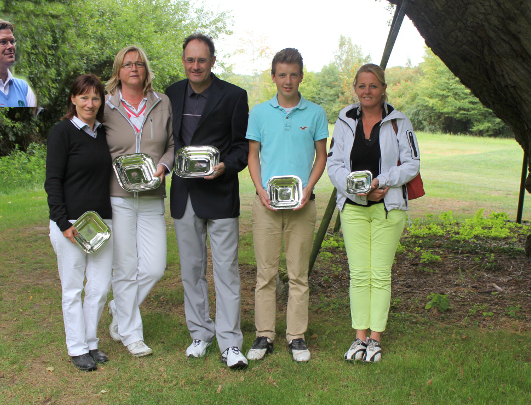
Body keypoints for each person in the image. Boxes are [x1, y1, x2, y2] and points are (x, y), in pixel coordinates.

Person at [165, 33, 249, 369]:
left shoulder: (234, 96)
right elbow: (166, 141)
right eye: (190, 59)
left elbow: (243, 146)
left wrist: (226, 166)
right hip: (185, 196)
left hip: (221, 194)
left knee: (227, 271)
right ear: (183, 60)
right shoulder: (171, 94)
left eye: (202, 59)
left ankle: (230, 342)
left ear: (213, 61)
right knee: (191, 271)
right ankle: (200, 333)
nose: (195, 65)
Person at [327, 63, 421, 362]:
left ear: (383, 88)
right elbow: (334, 164)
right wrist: (357, 189)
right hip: (353, 208)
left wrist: (381, 182)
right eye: (362, 86)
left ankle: (375, 339)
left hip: (388, 207)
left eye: (373, 86)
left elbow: (411, 164)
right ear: (355, 88)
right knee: (358, 274)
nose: (367, 91)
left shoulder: (399, 122)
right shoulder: (345, 118)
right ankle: (359, 338)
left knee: (379, 274)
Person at [245, 48, 328, 363]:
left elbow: (322, 156)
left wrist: (308, 188)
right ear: (273, 76)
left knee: (298, 275)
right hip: (266, 205)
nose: (288, 81)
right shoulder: (260, 112)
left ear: (301, 76)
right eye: (282, 74)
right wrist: (259, 188)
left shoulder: (316, 113)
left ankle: (296, 337)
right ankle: (264, 335)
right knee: (265, 273)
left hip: (302, 205)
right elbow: (253, 155)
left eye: (293, 74)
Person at [104, 46, 175, 357]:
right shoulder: (105, 105)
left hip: (151, 196)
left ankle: (119, 306)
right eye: (127, 64)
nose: (133, 68)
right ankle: (131, 334)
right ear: (118, 71)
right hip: (116, 196)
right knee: (125, 267)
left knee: (155, 266)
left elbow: (172, 144)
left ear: (146, 70)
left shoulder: (162, 103)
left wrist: (164, 166)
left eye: (139, 64)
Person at [45, 74, 112, 371]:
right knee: (72, 288)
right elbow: (53, 181)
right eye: (84, 97)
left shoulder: (103, 133)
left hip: (100, 223)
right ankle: (76, 348)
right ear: (73, 99)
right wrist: (62, 222)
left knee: (98, 287)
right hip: (70, 223)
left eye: (95, 98)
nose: (90, 103)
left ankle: (91, 342)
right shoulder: (62, 132)